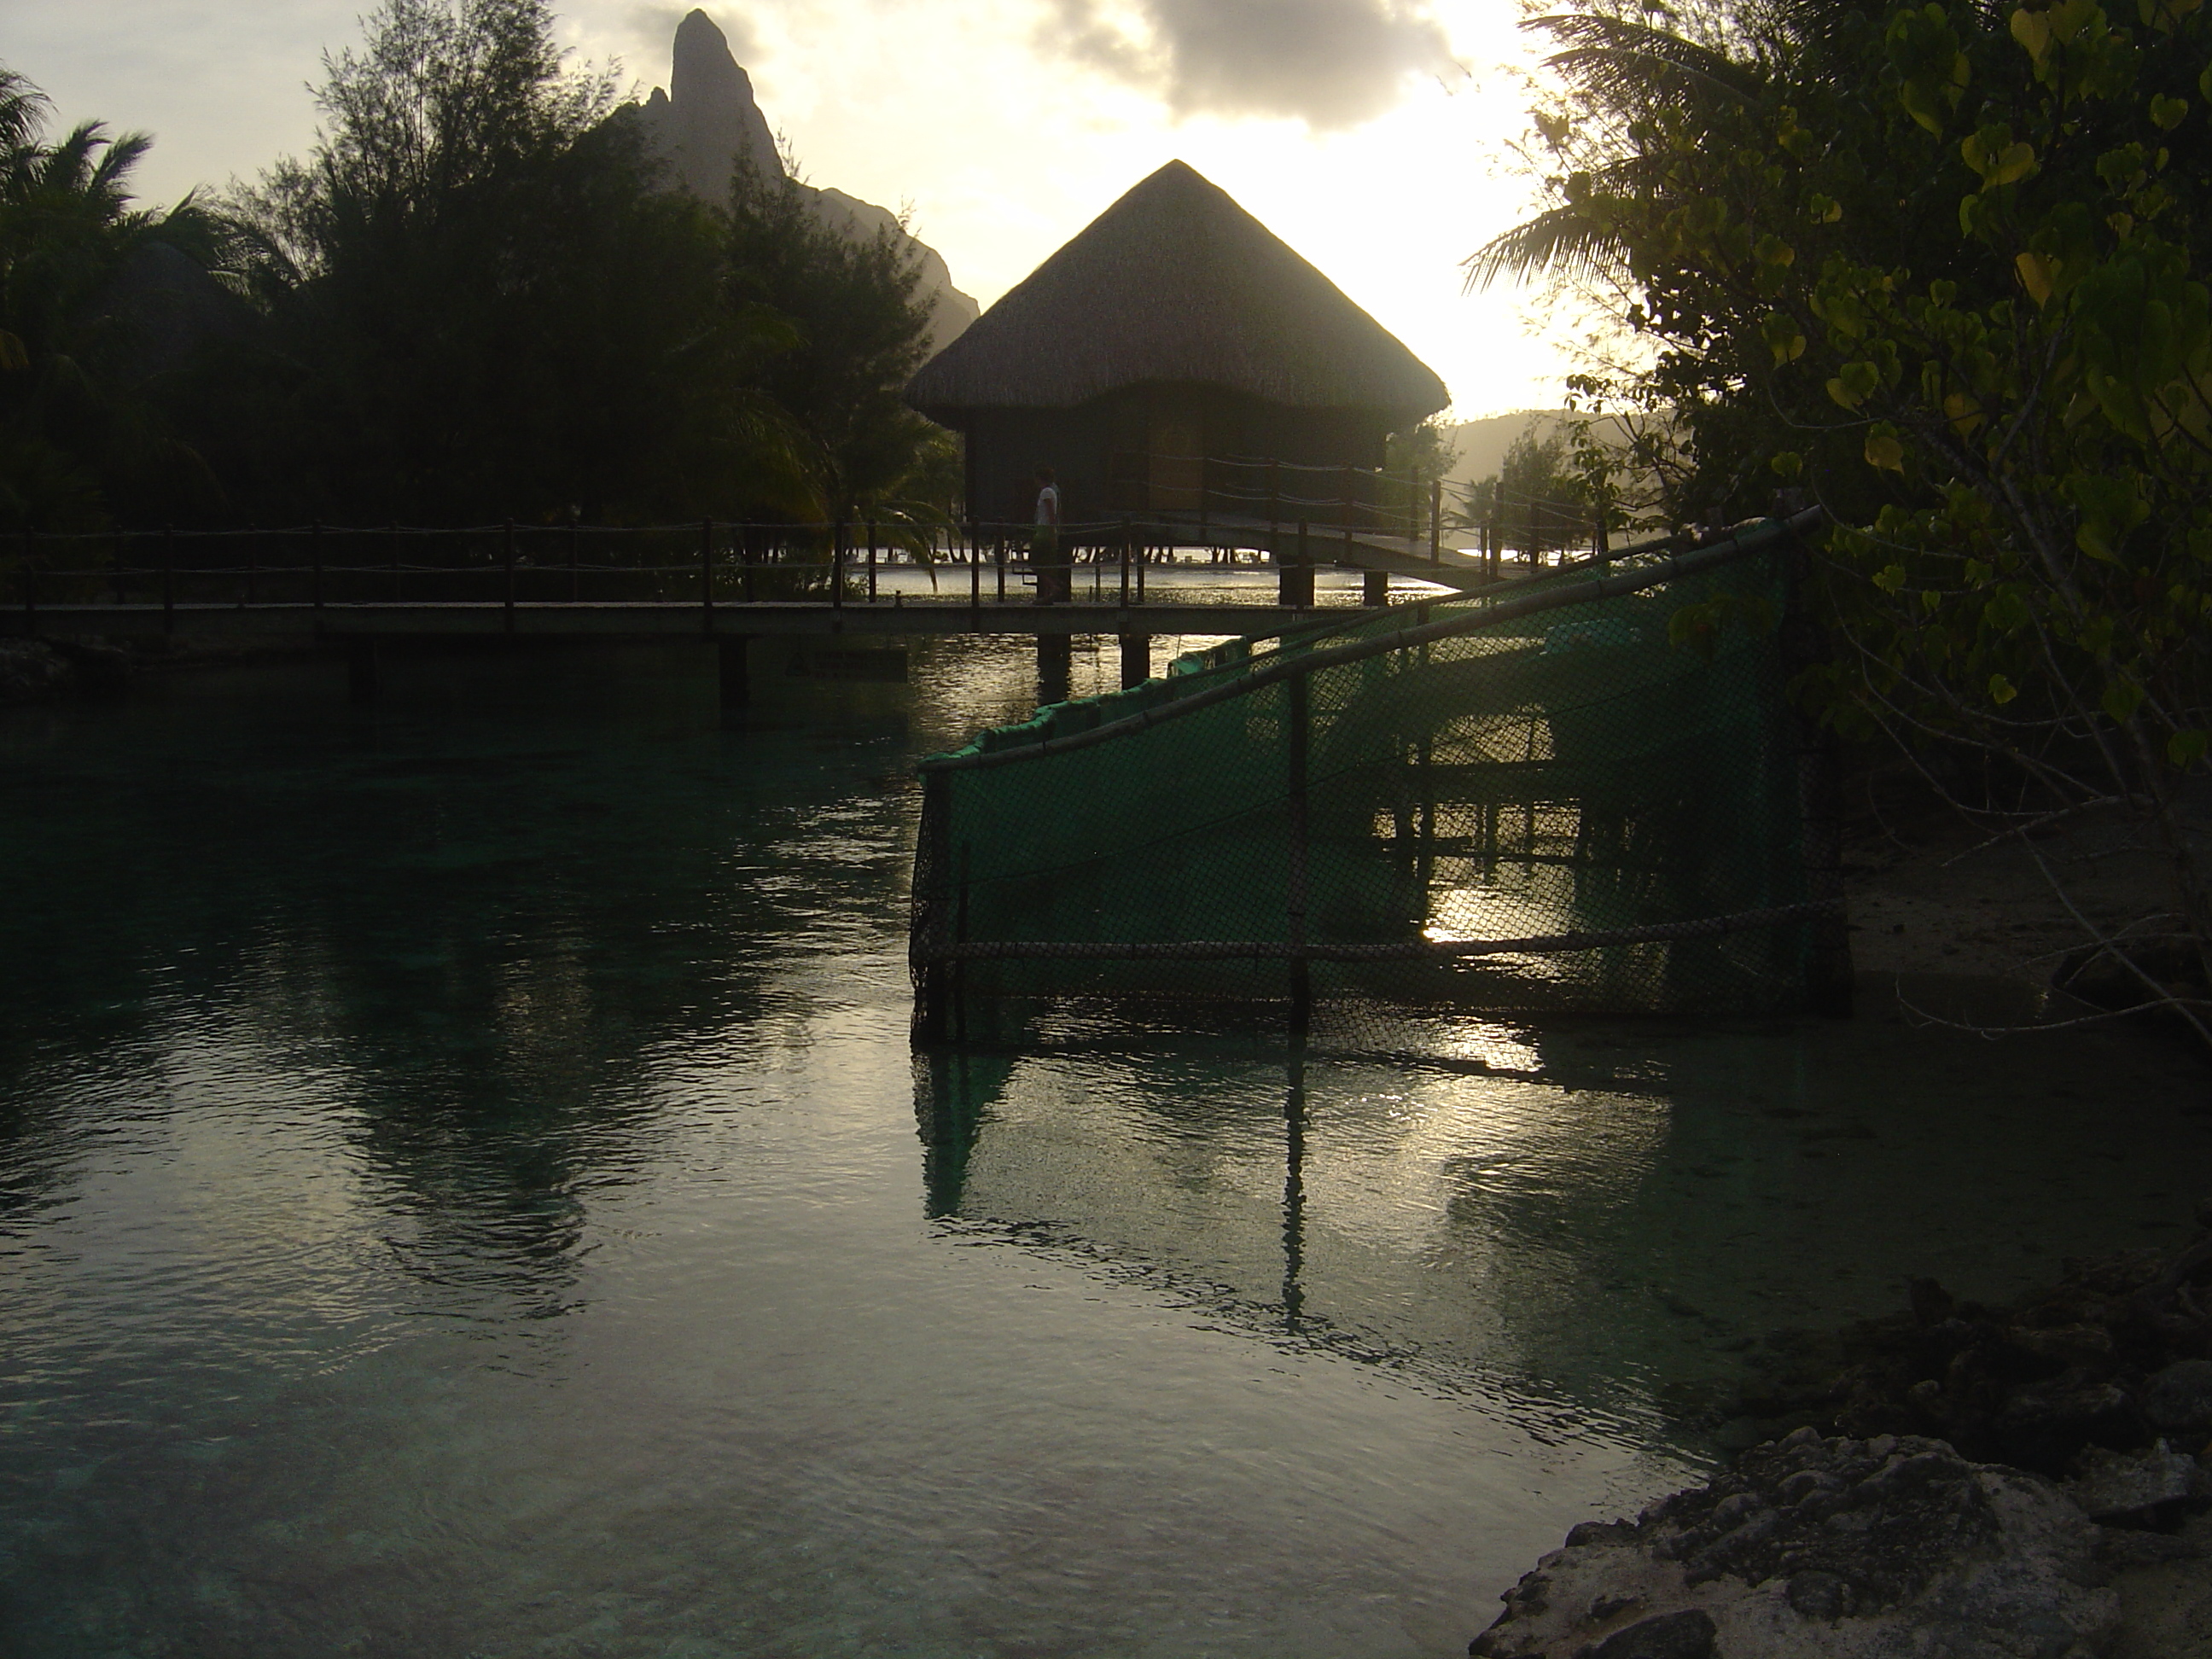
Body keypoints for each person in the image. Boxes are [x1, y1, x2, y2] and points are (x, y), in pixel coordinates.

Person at [1030, 467, 1067, 604]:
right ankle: (1047, 595)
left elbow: (1051, 513)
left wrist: (1052, 529)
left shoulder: (1046, 492)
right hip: (1045, 531)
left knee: (1035, 563)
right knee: (1045, 565)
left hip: (1044, 532)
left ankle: (1054, 586)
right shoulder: (1052, 491)